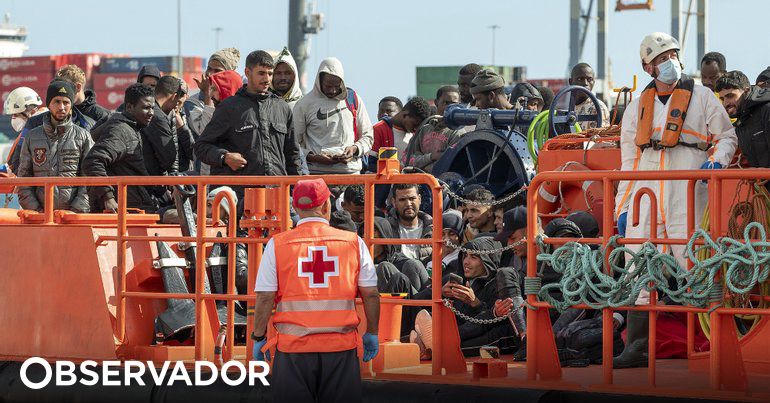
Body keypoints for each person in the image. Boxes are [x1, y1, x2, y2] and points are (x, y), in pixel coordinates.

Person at [613, 32, 737, 369]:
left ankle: (709, 345)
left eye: (672, 54)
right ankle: (637, 347)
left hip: (688, 190)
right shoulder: (637, 107)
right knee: (637, 267)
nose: (669, 62)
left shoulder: (702, 97)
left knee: (693, 263)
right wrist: (622, 209)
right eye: (661, 57)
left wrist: (717, 161)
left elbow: (726, 136)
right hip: (645, 196)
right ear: (647, 66)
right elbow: (628, 161)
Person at [251, 178, 380, 403]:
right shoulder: (353, 242)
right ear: (327, 206)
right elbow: (370, 293)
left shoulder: (277, 244)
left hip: (293, 351)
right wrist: (373, 333)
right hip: (340, 349)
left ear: (295, 207)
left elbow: (264, 297)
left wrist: (258, 337)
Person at [194, 50, 302, 194]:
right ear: (247, 72)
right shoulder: (229, 107)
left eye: (270, 74)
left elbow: (292, 155)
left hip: (276, 195)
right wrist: (224, 157)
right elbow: (201, 146)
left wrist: (297, 191)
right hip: (240, 199)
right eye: (261, 73)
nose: (267, 79)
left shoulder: (282, 108)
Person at [413, 236, 524, 357]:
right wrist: (440, 293)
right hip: (469, 331)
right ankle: (431, 341)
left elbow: (493, 321)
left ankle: (436, 341)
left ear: (488, 260)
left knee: (455, 345)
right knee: (421, 336)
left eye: (473, 257)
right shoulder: (459, 280)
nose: (466, 261)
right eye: (465, 255)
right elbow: (414, 302)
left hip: (497, 334)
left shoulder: (497, 282)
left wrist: (476, 303)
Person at [16, 80, 92, 213]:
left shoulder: (83, 136)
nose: (62, 107)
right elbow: (23, 179)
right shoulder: (32, 137)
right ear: (48, 104)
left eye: (66, 102)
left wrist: (75, 210)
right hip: (39, 218)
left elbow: (91, 178)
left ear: (71, 105)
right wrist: (37, 211)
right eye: (57, 101)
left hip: (74, 218)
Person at [82, 83, 156, 213]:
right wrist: (108, 197)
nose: (151, 113)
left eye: (152, 108)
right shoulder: (120, 130)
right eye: (146, 108)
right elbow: (92, 161)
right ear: (129, 107)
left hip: (132, 206)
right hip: (123, 210)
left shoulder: (133, 128)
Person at [294, 57, 374, 175]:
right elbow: (293, 143)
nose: (332, 91)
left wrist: (354, 149)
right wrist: (312, 157)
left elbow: (368, 136)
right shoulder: (304, 104)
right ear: (319, 80)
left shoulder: (353, 99)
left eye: (336, 86)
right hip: (316, 174)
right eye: (328, 86)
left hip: (350, 173)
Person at [402, 85, 464, 172]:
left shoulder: (458, 133)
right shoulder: (423, 130)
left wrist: (420, 160)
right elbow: (406, 160)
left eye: (454, 104)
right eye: (446, 103)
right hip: (418, 182)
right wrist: (431, 157)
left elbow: (450, 164)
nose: (449, 108)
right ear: (436, 102)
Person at [716, 71, 770, 168]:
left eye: (730, 96)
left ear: (746, 91)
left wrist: (761, 173)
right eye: (722, 98)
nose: (725, 104)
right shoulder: (741, 123)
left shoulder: (767, 110)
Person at [186, 47, 241, 138]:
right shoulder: (192, 102)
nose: (210, 74)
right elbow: (205, 132)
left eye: (217, 71)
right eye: (209, 68)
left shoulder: (239, 102)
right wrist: (207, 94)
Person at [373, 216, 431, 294]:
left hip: (413, 302)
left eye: (374, 238)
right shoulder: (358, 262)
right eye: (362, 237)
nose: (367, 244)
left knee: (412, 264)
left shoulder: (400, 262)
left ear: (384, 238)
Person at [142, 76, 184, 179]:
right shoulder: (159, 117)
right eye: (177, 101)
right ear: (174, 96)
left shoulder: (142, 109)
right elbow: (169, 157)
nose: (175, 107)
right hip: (149, 180)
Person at [369, 96, 431, 163]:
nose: (416, 129)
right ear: (405, 115)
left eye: (419, 126)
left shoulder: (417, 134)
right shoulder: (379, 129)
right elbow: (371, 163)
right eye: (414, 124)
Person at [387, 184, 433, 261]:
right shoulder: (386, 228)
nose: (408, 204)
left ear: (419, 199)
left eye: (412, 198)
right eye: (402, 200)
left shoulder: (434, 228)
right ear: (394, 202)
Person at [3, 87, 44, 172]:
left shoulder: (37, 132)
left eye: (16, 114)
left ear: (32, 112)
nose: (13, 118)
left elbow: (15, 165)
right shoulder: (28, 132)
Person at [568, 63, 610, 129]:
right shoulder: (571, 108)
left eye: (589, 80)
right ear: (571, 82)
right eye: (580, 79)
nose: (585, 83)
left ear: (594, 82)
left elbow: (601, 137)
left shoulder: (598, 107)